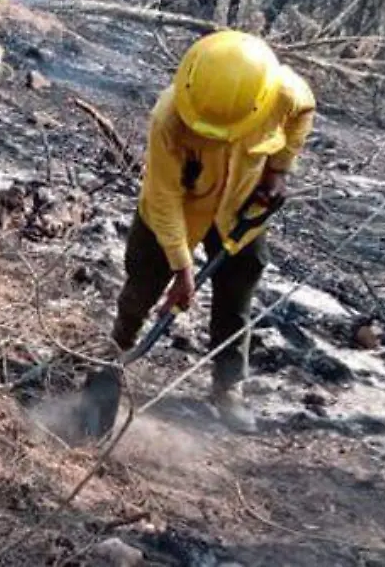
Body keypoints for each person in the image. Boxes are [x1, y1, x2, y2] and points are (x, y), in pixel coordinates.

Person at [114, 30, 315, 433]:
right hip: (179, 212)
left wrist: (278, 170)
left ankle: (228, 387)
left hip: (242, 207)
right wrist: (182, 267)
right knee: (142, 284)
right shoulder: (168, 118)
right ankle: (114, 358)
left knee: (237, 294)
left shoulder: (283, 92)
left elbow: (303, 113)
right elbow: (164, 197)